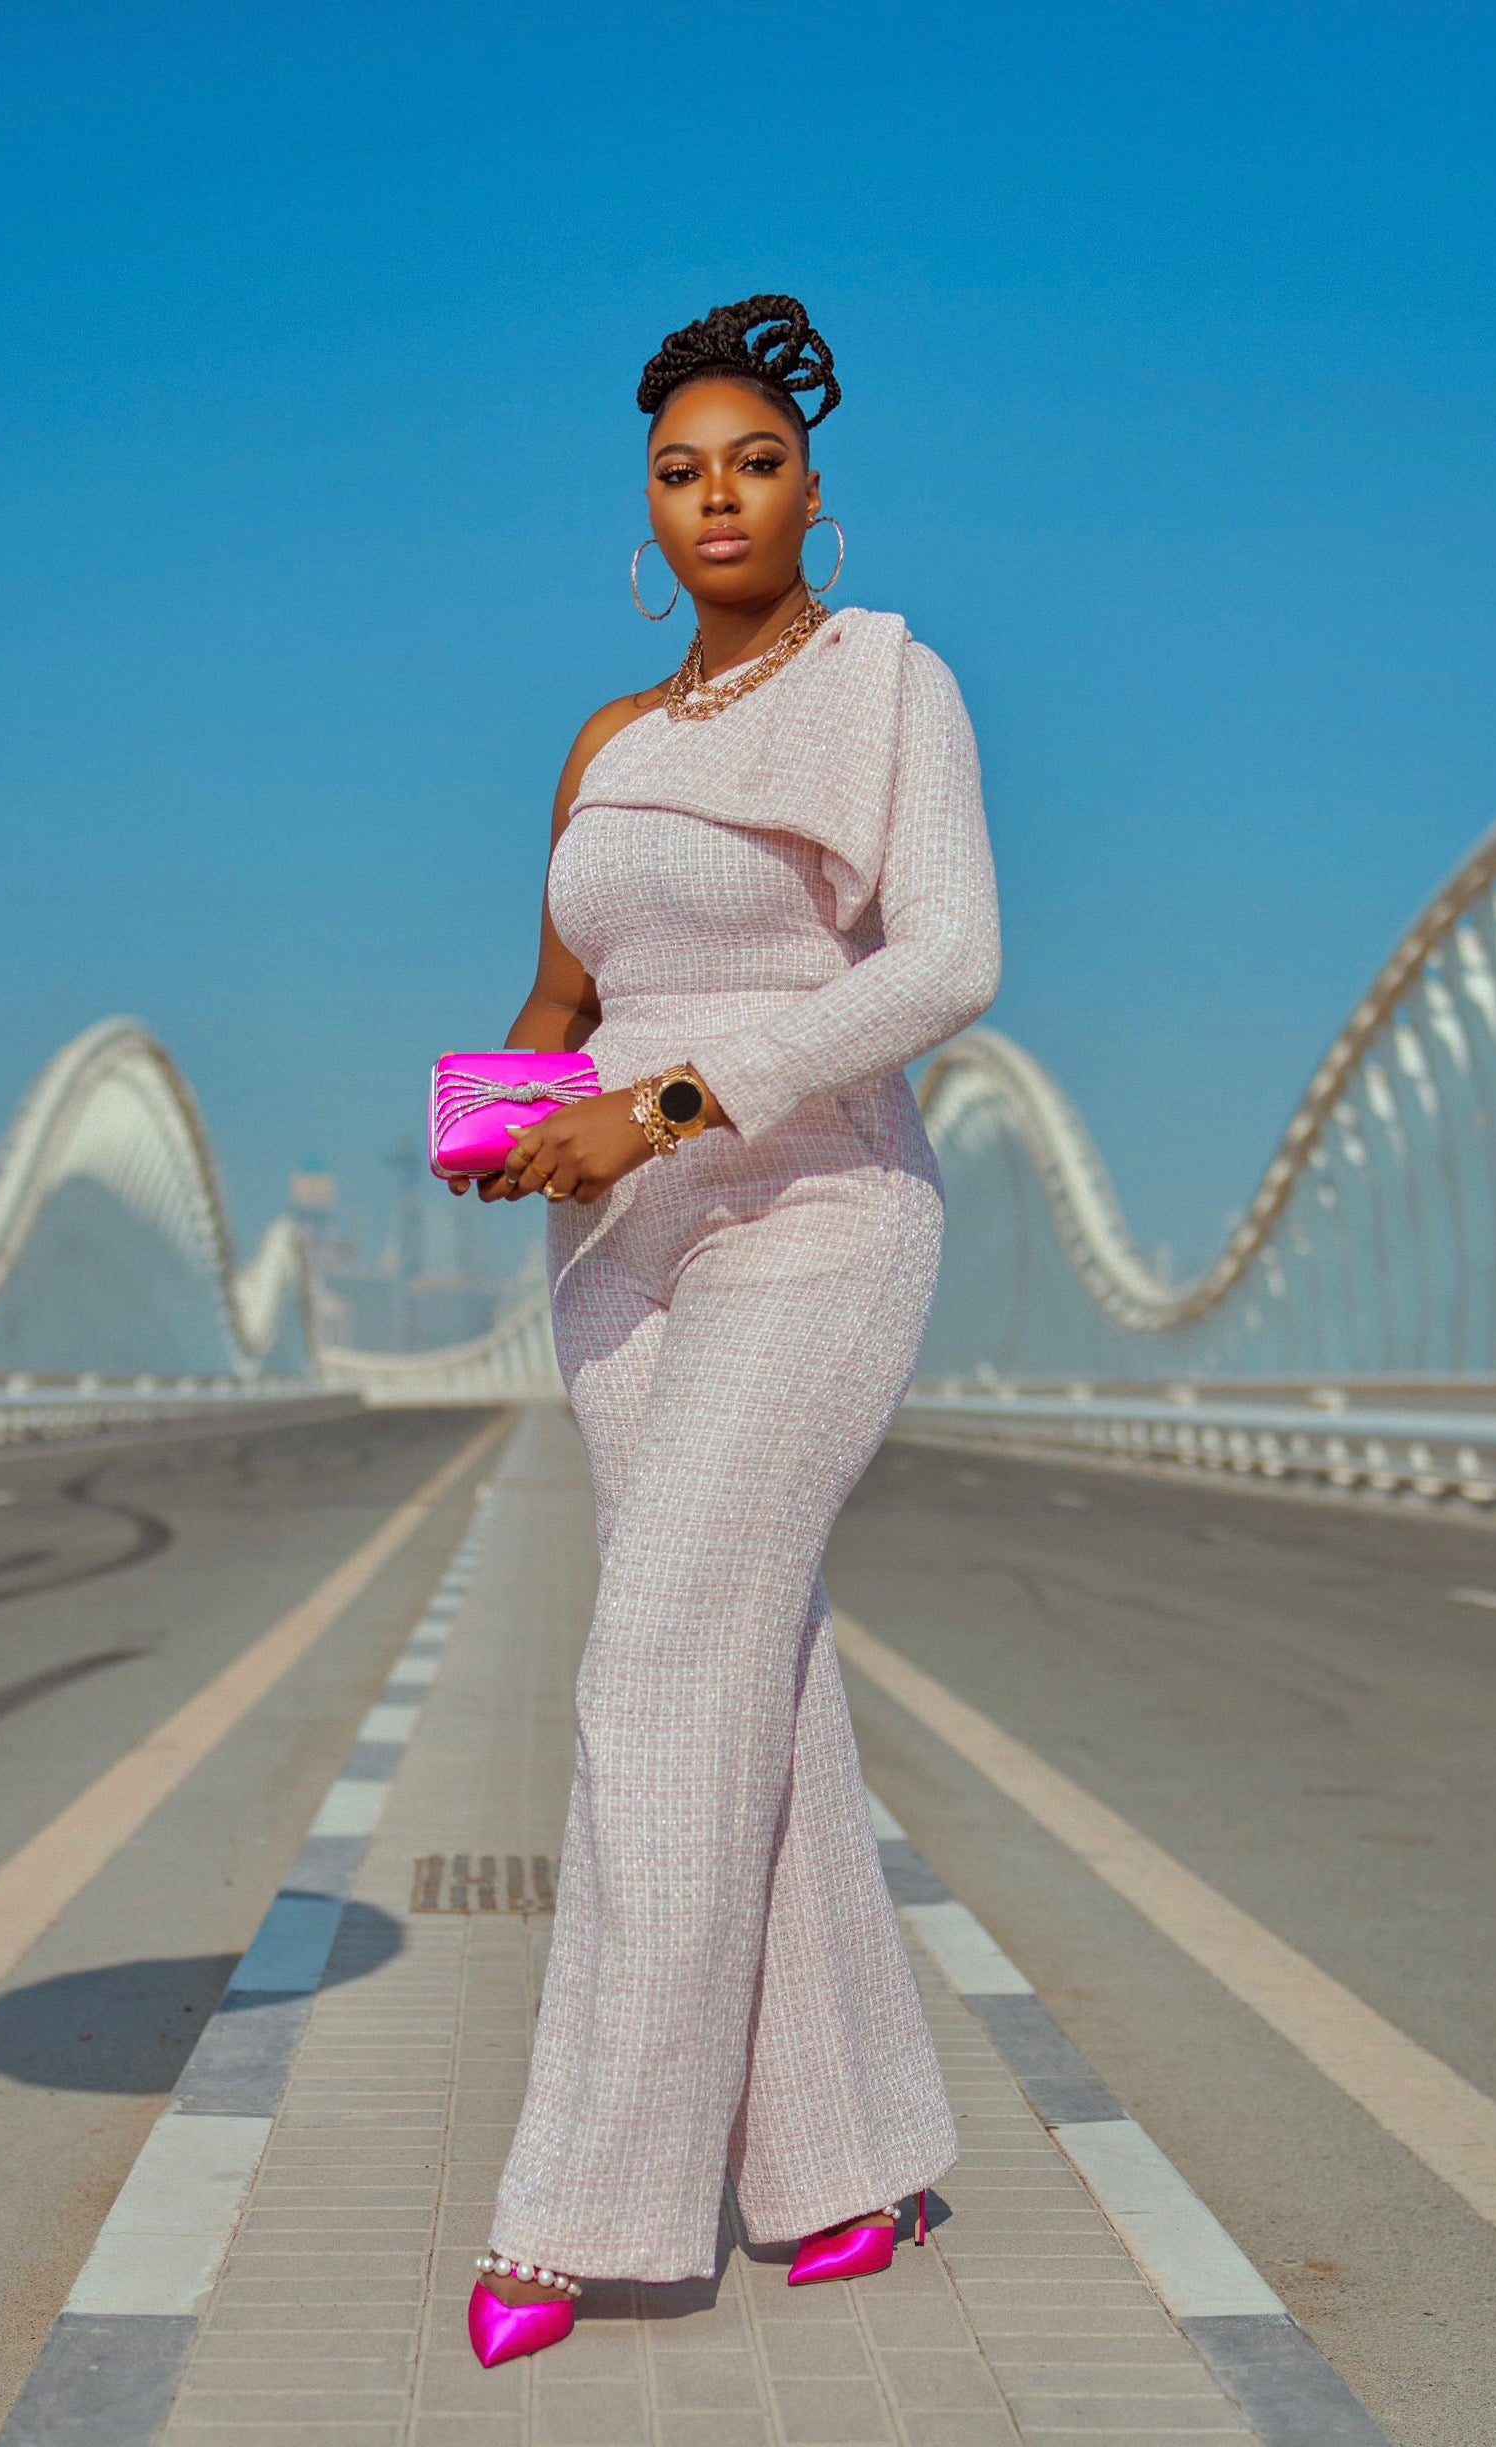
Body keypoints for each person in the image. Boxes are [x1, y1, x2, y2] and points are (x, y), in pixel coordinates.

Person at [449, 294, 1002, 2369]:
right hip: (613, 1255)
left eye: (751, 463)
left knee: (658, 1657)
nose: (715, 497)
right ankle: (853, 2163)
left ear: (814, 498)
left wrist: (672, 1111)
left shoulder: (884, 683)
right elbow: (558, 1004)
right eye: (678, 471)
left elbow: (954, 956)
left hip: (817, 1210)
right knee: (757, 1676)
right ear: (642, 513)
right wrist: (498, 1132)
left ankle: (580, 2209)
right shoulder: (611, 743)